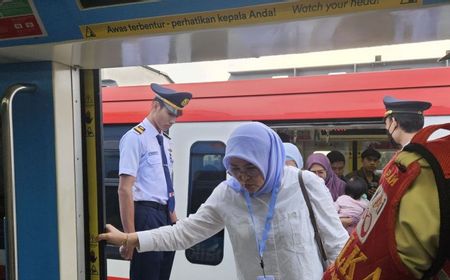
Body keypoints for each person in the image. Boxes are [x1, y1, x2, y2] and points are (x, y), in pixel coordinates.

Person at [100, 122, 349, 280]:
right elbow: (184, 233)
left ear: (269, 158)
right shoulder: (228, 193)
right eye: (234, 168)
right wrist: (129, 238)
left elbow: (338, 246)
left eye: (251, 167)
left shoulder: (306, 185)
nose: (242, 177)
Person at [324, 96, 450, 279]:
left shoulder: (405, 164)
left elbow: (397, 241)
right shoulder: (437, 156)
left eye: (386, 122)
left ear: (394, 122)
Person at [117, 83, 192, 280]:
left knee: (162, 275)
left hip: (166, 216)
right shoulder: (135, 138)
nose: (174, 120)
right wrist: (129, 237)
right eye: (170, 114)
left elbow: (165, 186)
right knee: (147, 275)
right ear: (155, 105)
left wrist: (174, 220)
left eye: (177, 115)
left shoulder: (166, 142)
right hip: (146, 216)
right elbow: (125, 189)